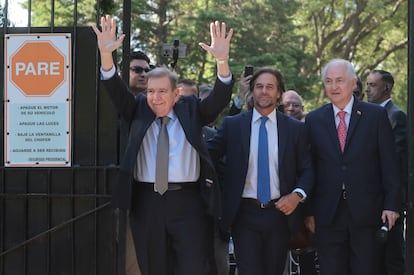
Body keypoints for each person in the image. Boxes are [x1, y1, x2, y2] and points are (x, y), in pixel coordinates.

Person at [92, 15, 234, 275]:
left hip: (188, 202)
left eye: (162, 91)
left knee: (194, 267)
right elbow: (114, 87)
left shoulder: (192, 110)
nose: (155, 98)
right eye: (150, 91)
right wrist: (106, 54)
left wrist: (222, 62)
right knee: (154, 267)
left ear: (176, 93)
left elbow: (219, 98)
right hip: (147, 202)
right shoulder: (137, 109)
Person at [208, 67, 314, 275]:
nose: (264, 91)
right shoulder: (233, 125)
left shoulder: (295, 129)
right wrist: (226, 184)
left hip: (280, 213)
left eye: (269, 87)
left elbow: (308, 169)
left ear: (279, 93)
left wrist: (296, 195)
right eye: (259, 87)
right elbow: (208, 156)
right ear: (252, 92)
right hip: (244, 213)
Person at [305, 59, 401, 275]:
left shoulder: (375, 116)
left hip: (367, 213)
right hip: (327, 215)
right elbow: (309, 168)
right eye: (328, 81)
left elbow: (389, 163)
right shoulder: (314, 120)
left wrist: (392, 204)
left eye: (340, 80)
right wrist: (308, 211)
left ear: (353, 83)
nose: (334, 86)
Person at [366, 69, 407, 275]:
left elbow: (395, 161)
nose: (367, 89)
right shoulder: (367, 115)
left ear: (387, 87)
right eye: (367, 84)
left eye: (372, 85)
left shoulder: (396, 116)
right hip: (369, 201)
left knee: (391, 258)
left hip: (388, 202)